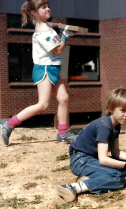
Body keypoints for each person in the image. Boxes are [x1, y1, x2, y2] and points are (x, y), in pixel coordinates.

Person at [0, 0, 76, 145]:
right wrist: (65, 35)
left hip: (53, 68)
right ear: (34, 13)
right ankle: (9, 124)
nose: (48, 9)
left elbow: (56, 46)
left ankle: (63, 133)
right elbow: (58, 50)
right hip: (45, 70)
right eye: (43, 7)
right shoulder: (42, 33)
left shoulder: (47, 28)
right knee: (43, 104)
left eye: (48, 6)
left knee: (64, 98)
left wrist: (61, 34)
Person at [57, 88, 126, 202]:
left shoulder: (116, 125)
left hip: (91, 159)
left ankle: (89, 178)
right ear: (110, 108)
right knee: (118, 178)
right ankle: (73, 187)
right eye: (123, 110)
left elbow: (115, 152)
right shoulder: (104, 126)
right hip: (80, 160)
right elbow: (103, 159)